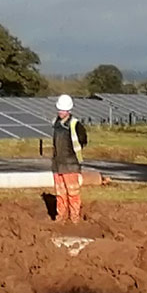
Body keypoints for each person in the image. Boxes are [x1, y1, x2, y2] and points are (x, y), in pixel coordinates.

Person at [51, 94, 90, 223]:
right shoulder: (56, 123)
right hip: (58, 164)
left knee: (73, 193)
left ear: (69, 110)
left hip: (71, 164)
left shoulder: (75, 124)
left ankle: (74, 218)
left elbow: (83, 140)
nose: (61, 112)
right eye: (60, 109)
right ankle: (61, 217)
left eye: (63, 110)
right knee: (60, 193)